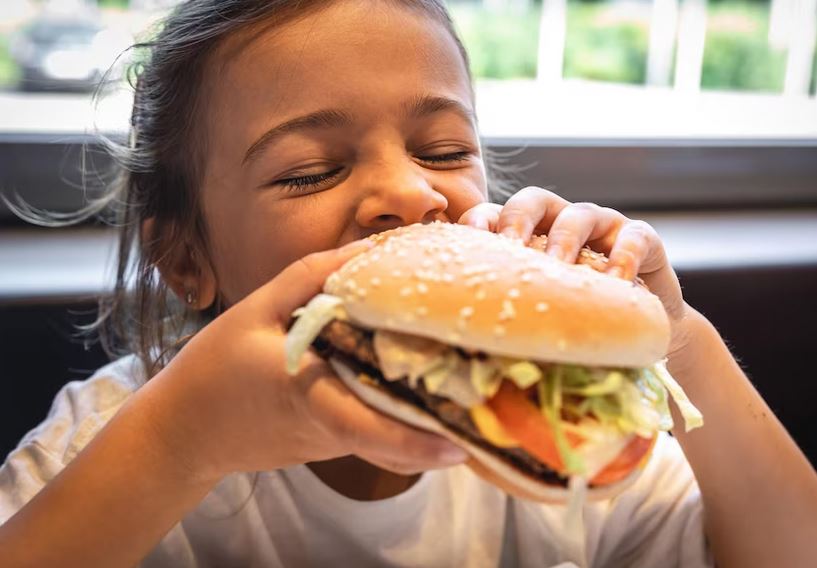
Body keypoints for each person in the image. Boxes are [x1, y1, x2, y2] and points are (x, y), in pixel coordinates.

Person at [1, 1, 815, 566]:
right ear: (186, 260)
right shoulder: (115, 433)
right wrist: (179, 442)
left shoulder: (563, 423)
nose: (413, 193)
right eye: (312, 171)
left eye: (442, 151)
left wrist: (675, 339)